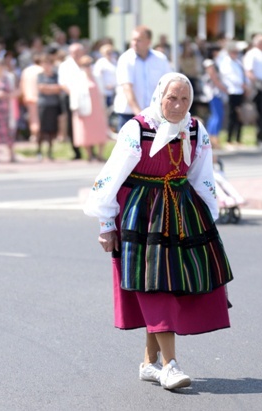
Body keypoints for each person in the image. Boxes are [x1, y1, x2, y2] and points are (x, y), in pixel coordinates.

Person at [84, 72, 233, 390]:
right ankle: (170, 365)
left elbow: (201, 174)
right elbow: (111, 177)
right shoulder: (138, 128)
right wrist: (106, 223)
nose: (178, 105)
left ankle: (149, 363)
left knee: (170, 282)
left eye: (184, 99)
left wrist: (208, 216)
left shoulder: (195, 129)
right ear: (159, 97)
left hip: (182, 211)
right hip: (143, 213)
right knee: (155, 285)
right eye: (172, 98)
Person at [113, 26, 171, 130]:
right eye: (133, 39)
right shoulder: (126, 59)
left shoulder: (160, 59)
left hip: (154, 114)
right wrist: (140, 115)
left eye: (138, 40)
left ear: (148, 41)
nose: (134, 43)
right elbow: (127, 88)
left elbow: (168, 85)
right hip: (129, 114)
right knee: (128, 146)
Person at [70, 55, 108, 161]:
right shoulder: (78, 77)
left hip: (97, 108)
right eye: (85, 65)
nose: (88, 67)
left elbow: (102, 92)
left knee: (101, 131)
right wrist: (75, 107)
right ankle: (89, 155)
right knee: (85, 132)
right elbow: (74, 94)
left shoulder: (97, 76)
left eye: (89, 64)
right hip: (84, 108)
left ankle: (100, 155)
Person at [244, 34, 262, 148]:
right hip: (258, 88)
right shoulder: (252, 54)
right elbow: (249, 71)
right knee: (260, 114)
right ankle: (259, 138)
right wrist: (256, 83)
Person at [218, 41, 249, 148]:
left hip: (240, 91)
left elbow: (243, 75)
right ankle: (229, 139)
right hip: (232, 91)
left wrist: (245, 85)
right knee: (232, 116)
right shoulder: (226, 62)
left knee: (239, 116)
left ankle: (238, 139)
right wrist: (241, 84)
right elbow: (229, 76)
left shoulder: (238, 62)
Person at [36, 54, 62, 160]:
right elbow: (41, 88)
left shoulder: (55, 75)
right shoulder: (40, 75)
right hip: (43, 105)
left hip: (54, 105)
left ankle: (50, 152)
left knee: (52, 130)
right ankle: (39, 151)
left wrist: (48, 88)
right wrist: (52, 88)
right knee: (42, 129)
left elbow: (58, 88)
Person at [202, 47, 229, 149]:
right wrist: (225, 89)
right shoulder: (209, 64)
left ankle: (211, 137)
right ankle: (213, 137)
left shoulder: (212, 63)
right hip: (213, 94)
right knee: (218, 115)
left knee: (215, 115)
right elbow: (215, 80)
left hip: (214, 94)